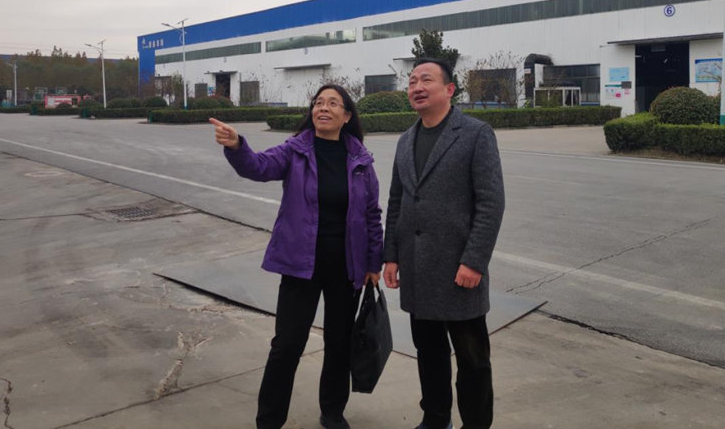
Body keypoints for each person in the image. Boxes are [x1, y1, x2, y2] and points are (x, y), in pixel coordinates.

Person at [210, 84, 383, 429]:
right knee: (287, 345)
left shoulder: (360, 159)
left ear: (346, 116)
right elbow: (258, 167)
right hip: (300, 264)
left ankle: (332, 411)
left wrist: (373, 263)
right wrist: (237, 146)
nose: (323, 108)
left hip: (346, 266)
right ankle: (269, 420)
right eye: (318, 102)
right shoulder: (295, 150)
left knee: (339, 343)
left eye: (333, 103)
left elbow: (371, 214)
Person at [384, 58, 505, 429]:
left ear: (449, 89)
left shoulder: (475, 133)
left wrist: (474, 261)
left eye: (426, 80)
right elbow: (396, 201)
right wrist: (391, 255)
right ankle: (435, 419)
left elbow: (491, 202)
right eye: (412, 81)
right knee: (429, 352)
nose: (417, 87)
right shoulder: (406, 140)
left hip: (458, 270)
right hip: (417, 269)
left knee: (472, 359)